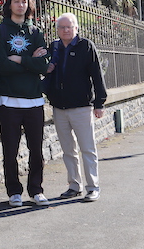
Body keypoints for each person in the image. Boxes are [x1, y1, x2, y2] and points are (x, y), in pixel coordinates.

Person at [0, 0, 50, 207]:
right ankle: (14, 191)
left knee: (36, 148)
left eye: (24, 1)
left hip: (34, 99)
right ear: (10, 4)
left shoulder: (36, 32)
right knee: (10, 149)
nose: (20, 5)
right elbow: (2, 66)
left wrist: (19, 59)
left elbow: (43, 65)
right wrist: (29, 61)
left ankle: (36, 190)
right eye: (16, 1)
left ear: (29, 5)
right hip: (8, 100)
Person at [43, 12, 107, 202]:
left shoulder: (85, 46)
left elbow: (97, 75)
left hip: (81, 107)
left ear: (76, 28)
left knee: (87, 148)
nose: (65, 30)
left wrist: (99, 102)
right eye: (61, 27)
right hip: (59, 108)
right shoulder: (54, 47)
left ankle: (93, 187)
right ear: (57, 30)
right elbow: (45, 71)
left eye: (69, 26)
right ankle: (73, 185)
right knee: (68, 150)